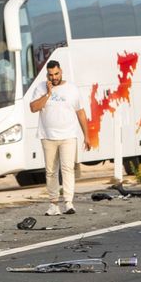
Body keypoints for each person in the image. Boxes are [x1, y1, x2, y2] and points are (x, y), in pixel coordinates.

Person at [29, 61, 91, 216]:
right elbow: (33, 108)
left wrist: (87, 136)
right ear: (47, 75)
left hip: (68, 136)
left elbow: (80, 113)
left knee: (68, 169)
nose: (54, 77)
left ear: (61, 72)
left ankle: (69, 203)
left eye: (56, 74)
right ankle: (53, 204)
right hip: (47, 136)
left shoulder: (71, 89)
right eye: (51, 75)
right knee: (50, 171)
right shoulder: (40, 88)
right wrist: (48, 94)